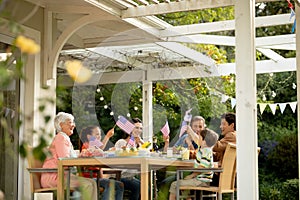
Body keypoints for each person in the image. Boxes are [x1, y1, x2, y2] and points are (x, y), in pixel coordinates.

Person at [40, 112, 98, 200]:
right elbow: (65, 161)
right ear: (61, 125)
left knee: (92, 183)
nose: (73, 125)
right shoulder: (61, 138)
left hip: (62, 175)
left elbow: (69, 158)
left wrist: (82, 155)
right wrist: (81, 156)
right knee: (88, 185)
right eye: (70, 122)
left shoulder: (64, 138)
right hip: (54, 177)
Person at [158, 116, 206, 199]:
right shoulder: (184, 137)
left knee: (169, 184)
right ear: (190, 127)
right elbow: (170, 152)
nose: (198, 129)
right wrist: (167, 143)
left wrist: (190, 144)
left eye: (200, 126)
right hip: (181, 171)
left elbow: (197, 154)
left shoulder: (205, 141)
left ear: (204, 127)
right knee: (163, 183)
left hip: (195, 173)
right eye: (195, 126)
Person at [168, 129, 219, 200]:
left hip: (201, 180)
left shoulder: (206, 151)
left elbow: (202, 167)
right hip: (202, 180)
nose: (198, 138)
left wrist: (191, 175)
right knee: (185, 189)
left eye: (200, 137)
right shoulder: (205, 150)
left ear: (204, 141)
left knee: (174, 185)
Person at [78, 125, 124, 200]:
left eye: (99, 134)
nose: (99, 136)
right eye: (96, 134)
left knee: (119, 185)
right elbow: (100, 151)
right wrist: (108, 150)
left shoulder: (93, 147)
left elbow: (100, 150)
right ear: (89, 137)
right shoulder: (87, 147)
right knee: (112, 184)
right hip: (90, 179)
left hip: (97, 177)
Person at [113, 117, 143, 200]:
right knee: (139, 186)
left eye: (141, 128)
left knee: (145, 187)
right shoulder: (122, 142)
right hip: (121, 175)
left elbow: (148, 152)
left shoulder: (139, 145)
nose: (139, 130)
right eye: (136, 127)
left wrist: (140, 144)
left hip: (131, 176)